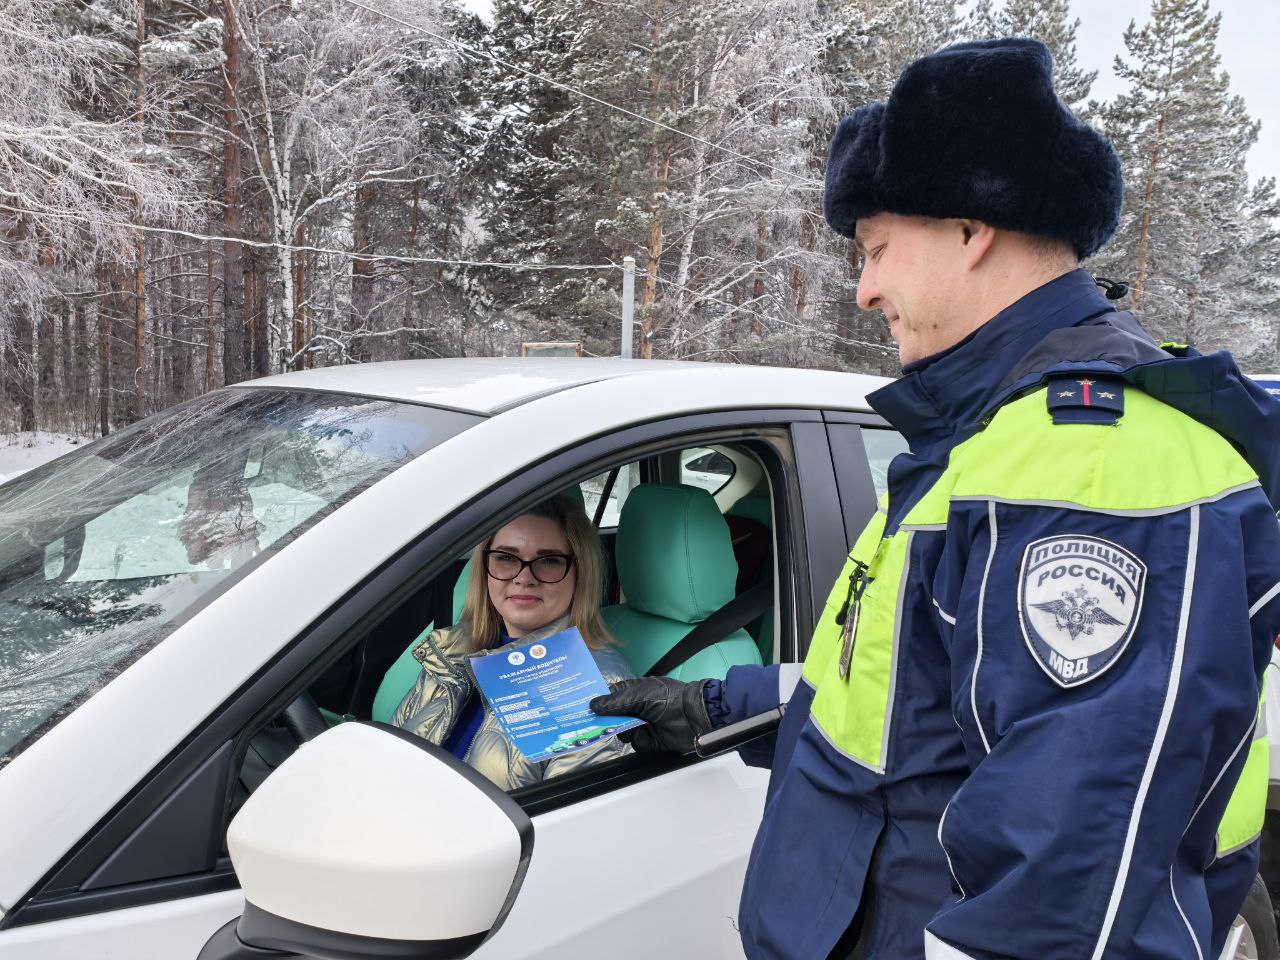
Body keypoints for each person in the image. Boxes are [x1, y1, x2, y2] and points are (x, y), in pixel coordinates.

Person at [592, 37, 1280, 960]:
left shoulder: (1087, 470)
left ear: (971, 228)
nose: (867, 288)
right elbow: (902, 703)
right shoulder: (987, 441)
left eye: (876, 249)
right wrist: (718, 705)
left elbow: (1069, 887)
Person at [394, 493, 634, 790]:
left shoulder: (599, 690)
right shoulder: (451, 650)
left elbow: (563, 825)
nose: (524, 577)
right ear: (484, 567)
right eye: (506, 558)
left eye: (549, 561)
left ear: (579, 574)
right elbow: (388, 757)